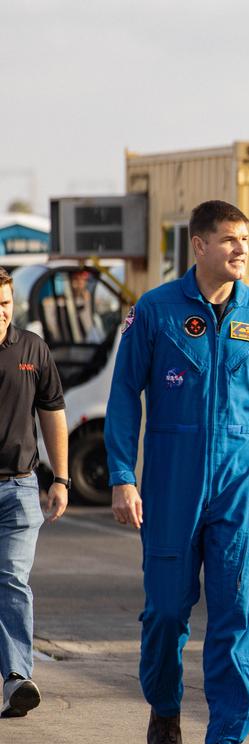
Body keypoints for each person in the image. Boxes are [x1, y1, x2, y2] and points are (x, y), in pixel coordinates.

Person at [104, 200, 249, 744]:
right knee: (167, 610)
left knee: (237, 612)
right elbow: (122, 398)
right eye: (228, 240)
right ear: (198, 245)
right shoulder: (156, 311)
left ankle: (225, 743)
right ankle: (166, 705)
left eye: (245, 240)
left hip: (239, 482)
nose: (240, 249)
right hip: (171, 479)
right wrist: (123, 474)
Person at [0, 267, 69, 718]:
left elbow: (52, 413)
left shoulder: (31, 349)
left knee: (11, 580)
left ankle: (16, 679)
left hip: (20, 489)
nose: (0, 314)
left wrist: (60, 478)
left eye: (5, 304)